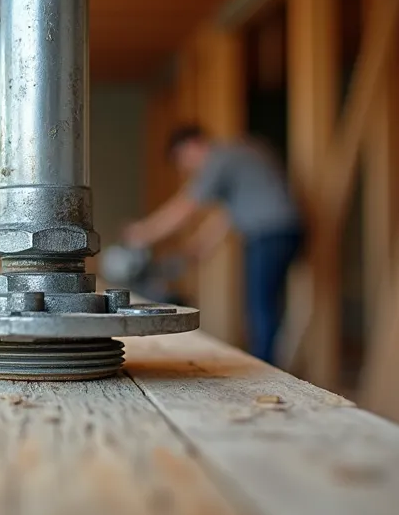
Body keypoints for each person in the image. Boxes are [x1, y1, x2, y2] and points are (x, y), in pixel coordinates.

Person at [124, 126, 303, 365]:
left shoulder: (220, 157)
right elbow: (226, 216)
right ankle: (268, 359)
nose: (186, 169)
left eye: (182, 159)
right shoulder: (239, 155)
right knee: (266, 302)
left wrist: (144, 232)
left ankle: (265, 365)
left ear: (192, 145)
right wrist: (200, 246)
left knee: (260, 305)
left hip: (269, 232)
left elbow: (186, 206)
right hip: (285, 230)